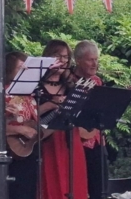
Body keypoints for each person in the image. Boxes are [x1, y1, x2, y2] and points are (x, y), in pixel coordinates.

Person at [39, 62, 90, 199]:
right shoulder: (37, 85)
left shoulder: (70, 85)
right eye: (58, 56)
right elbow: (32, 115)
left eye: (65, 57)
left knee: (74, 180)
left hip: (70, 136)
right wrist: (50, 105)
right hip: (49, 138)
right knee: (52, 179)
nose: (61, 61)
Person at [70, 41, 108, 199]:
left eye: (96, 59)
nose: (95, 64)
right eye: (90, 60)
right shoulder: (69, 80)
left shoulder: (97, 81)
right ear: (78, 60)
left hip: (97, 141)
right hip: (78, 142)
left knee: (100, 188)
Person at [4, 52, 41, 199]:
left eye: (26, 69)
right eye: (20, 68)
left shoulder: (29, 95)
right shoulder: (1, 92)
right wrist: (19, 129)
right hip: (9, 152)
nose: (24, 72)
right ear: (10, 69)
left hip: (28, 150)